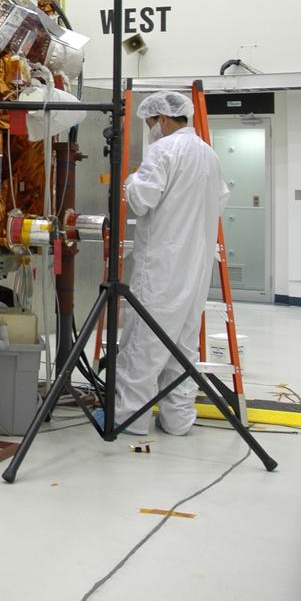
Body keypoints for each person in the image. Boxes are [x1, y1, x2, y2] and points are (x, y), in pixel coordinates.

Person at [96, 91, 229, 437]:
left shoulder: (164, 150)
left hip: (162, 267)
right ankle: (177, 421)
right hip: (197, 267)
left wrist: (128, 182)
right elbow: (221, 200)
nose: (151, 129)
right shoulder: (208, 154)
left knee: (145, 343)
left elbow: (142, 200)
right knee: (182, 348)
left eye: (151, 123)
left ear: (165, 120)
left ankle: (130, 420)